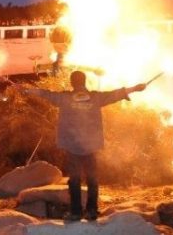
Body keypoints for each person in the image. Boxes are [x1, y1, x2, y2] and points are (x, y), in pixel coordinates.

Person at [19, 71, 147, 221]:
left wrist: (26, 89)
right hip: (91, 146)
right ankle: (92, 211)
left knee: (74, 180)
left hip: (73, 146)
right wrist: (135, 88)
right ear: (84, 82)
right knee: (92, 179)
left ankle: (76, 212)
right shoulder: (95, 98)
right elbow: (116, 94)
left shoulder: (64, 98)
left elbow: (45, 94)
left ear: (72, 82)